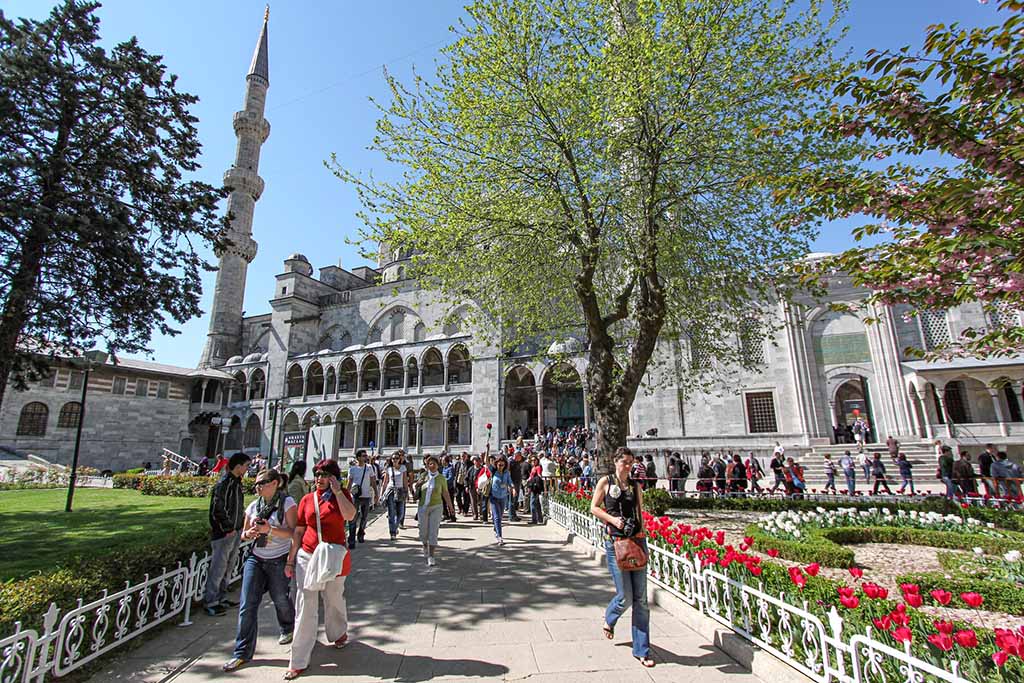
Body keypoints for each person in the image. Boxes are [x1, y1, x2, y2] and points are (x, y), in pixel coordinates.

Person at [284, 460, 356, 680]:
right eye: (317, 475)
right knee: (306, 604)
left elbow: (350, 516)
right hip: (308, 556)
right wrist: (290, 559)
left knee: (333, 598)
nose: (319, 479)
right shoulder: (307, 499)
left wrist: (338, 493)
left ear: (334, 477)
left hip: (334, 557)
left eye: (325, 475)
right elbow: (298, 531)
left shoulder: (341, 496)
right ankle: (298, 660)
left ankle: (337, 632)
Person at [222, 469, 297, 672]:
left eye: (262, 482)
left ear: (275, 483)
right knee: (247, 605)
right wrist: (250, 533)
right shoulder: (254, 506)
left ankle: (288, 627)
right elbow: (244, 534)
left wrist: (270, 531)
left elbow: (293, 532)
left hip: (278, 559)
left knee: (281, 599)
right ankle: (242, 652)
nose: (258, 486)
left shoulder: (287, 503)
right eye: (256, 483)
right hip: (256, 558)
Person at [589, 447, 654, 669]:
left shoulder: (635, 486)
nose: (627, 466)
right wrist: (614, 522)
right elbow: (594, 508)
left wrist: (643, 534)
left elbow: (639, 512)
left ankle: (642, 649)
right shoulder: (605, 482)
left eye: (630, 462)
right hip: (615, 543)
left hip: (636, 541)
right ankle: (610, 617)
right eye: (624, 462)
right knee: (625, 595)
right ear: (615, 461)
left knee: (642, 600)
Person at [204, 452, 251, 616]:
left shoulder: (236, 483)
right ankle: (211, 601)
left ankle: (221, 597)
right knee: (218, 568)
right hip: (225, 533)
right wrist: (227, 528)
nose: (247, 469)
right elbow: (218, 509)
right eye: (246, 466)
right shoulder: (224, 484)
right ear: (238, 466)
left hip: (235, 530)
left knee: (228, 567)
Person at [416, 454, 455, 566]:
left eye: (434, 463)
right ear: (427, 465)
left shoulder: (441, 478)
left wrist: (451, 507)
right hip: (423, 506)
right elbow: (416, 487)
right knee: (423, 531)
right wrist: (418, 484)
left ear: (438, 465)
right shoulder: (423, 475)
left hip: (437, 506)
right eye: (429, 464)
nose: (432, 465)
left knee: (433, 531)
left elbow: (445, 493)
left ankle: (431, 555)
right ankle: (424, 544)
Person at [345, 450, 376, 549]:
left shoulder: (369, 468)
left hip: (366, 495)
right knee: (353, 518)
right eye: (363, 456)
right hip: (355, 496)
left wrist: (376, 492)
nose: (365, 457)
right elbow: (349, 483)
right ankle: (351, 539)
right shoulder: (353, 469)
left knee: (364, 517)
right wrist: (346, 495)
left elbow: (373, 480)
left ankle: (361, 533)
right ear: (358, 457)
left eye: (366, 455)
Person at [381, 451, 409, 540]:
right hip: (391, 491)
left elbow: (405, 481)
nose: (395, 460)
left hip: (400, 491)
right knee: (391, 513)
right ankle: (392, 532)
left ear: (399, 459)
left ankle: (395, 527)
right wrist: (382, 494)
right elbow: (385, 482)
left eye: (397, 458)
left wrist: (407, 492)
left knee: (400, 513)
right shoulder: (389, 469)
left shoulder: (403, 468)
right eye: (393, 458)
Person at [489, 457, 513, 544]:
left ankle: (496, 528)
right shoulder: (493, 471)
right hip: (493, 497)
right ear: (496, 464)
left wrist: (512, 488)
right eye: (499, 464)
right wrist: (487, 451)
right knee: (497, 517)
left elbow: (510, 481)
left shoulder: (506, 473)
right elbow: (487, 463)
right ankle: (499, 537)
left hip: (503, 497)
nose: (500, 466)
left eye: (502, 465)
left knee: (500, 515)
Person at [526, 456, 545, 524]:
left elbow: (539, 475)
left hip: (535, 487)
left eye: (534, 460)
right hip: (532, 486)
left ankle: (534, 519)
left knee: (533, 503)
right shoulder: (533, 467)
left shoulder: (538, 467)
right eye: (532, 460)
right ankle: (539, 519)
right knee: (536, 503)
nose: (533, 461)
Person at [508, 451, 523, 521]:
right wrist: (510, 485)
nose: (521, 457)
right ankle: (511, 516)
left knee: (515, 500)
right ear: (517, 455)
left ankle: (514, 515)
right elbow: (509, 473)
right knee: (512, 500)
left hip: (517, 483)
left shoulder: (517, 462)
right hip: (513, 483)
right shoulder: (511, 462)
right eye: (520, 456)